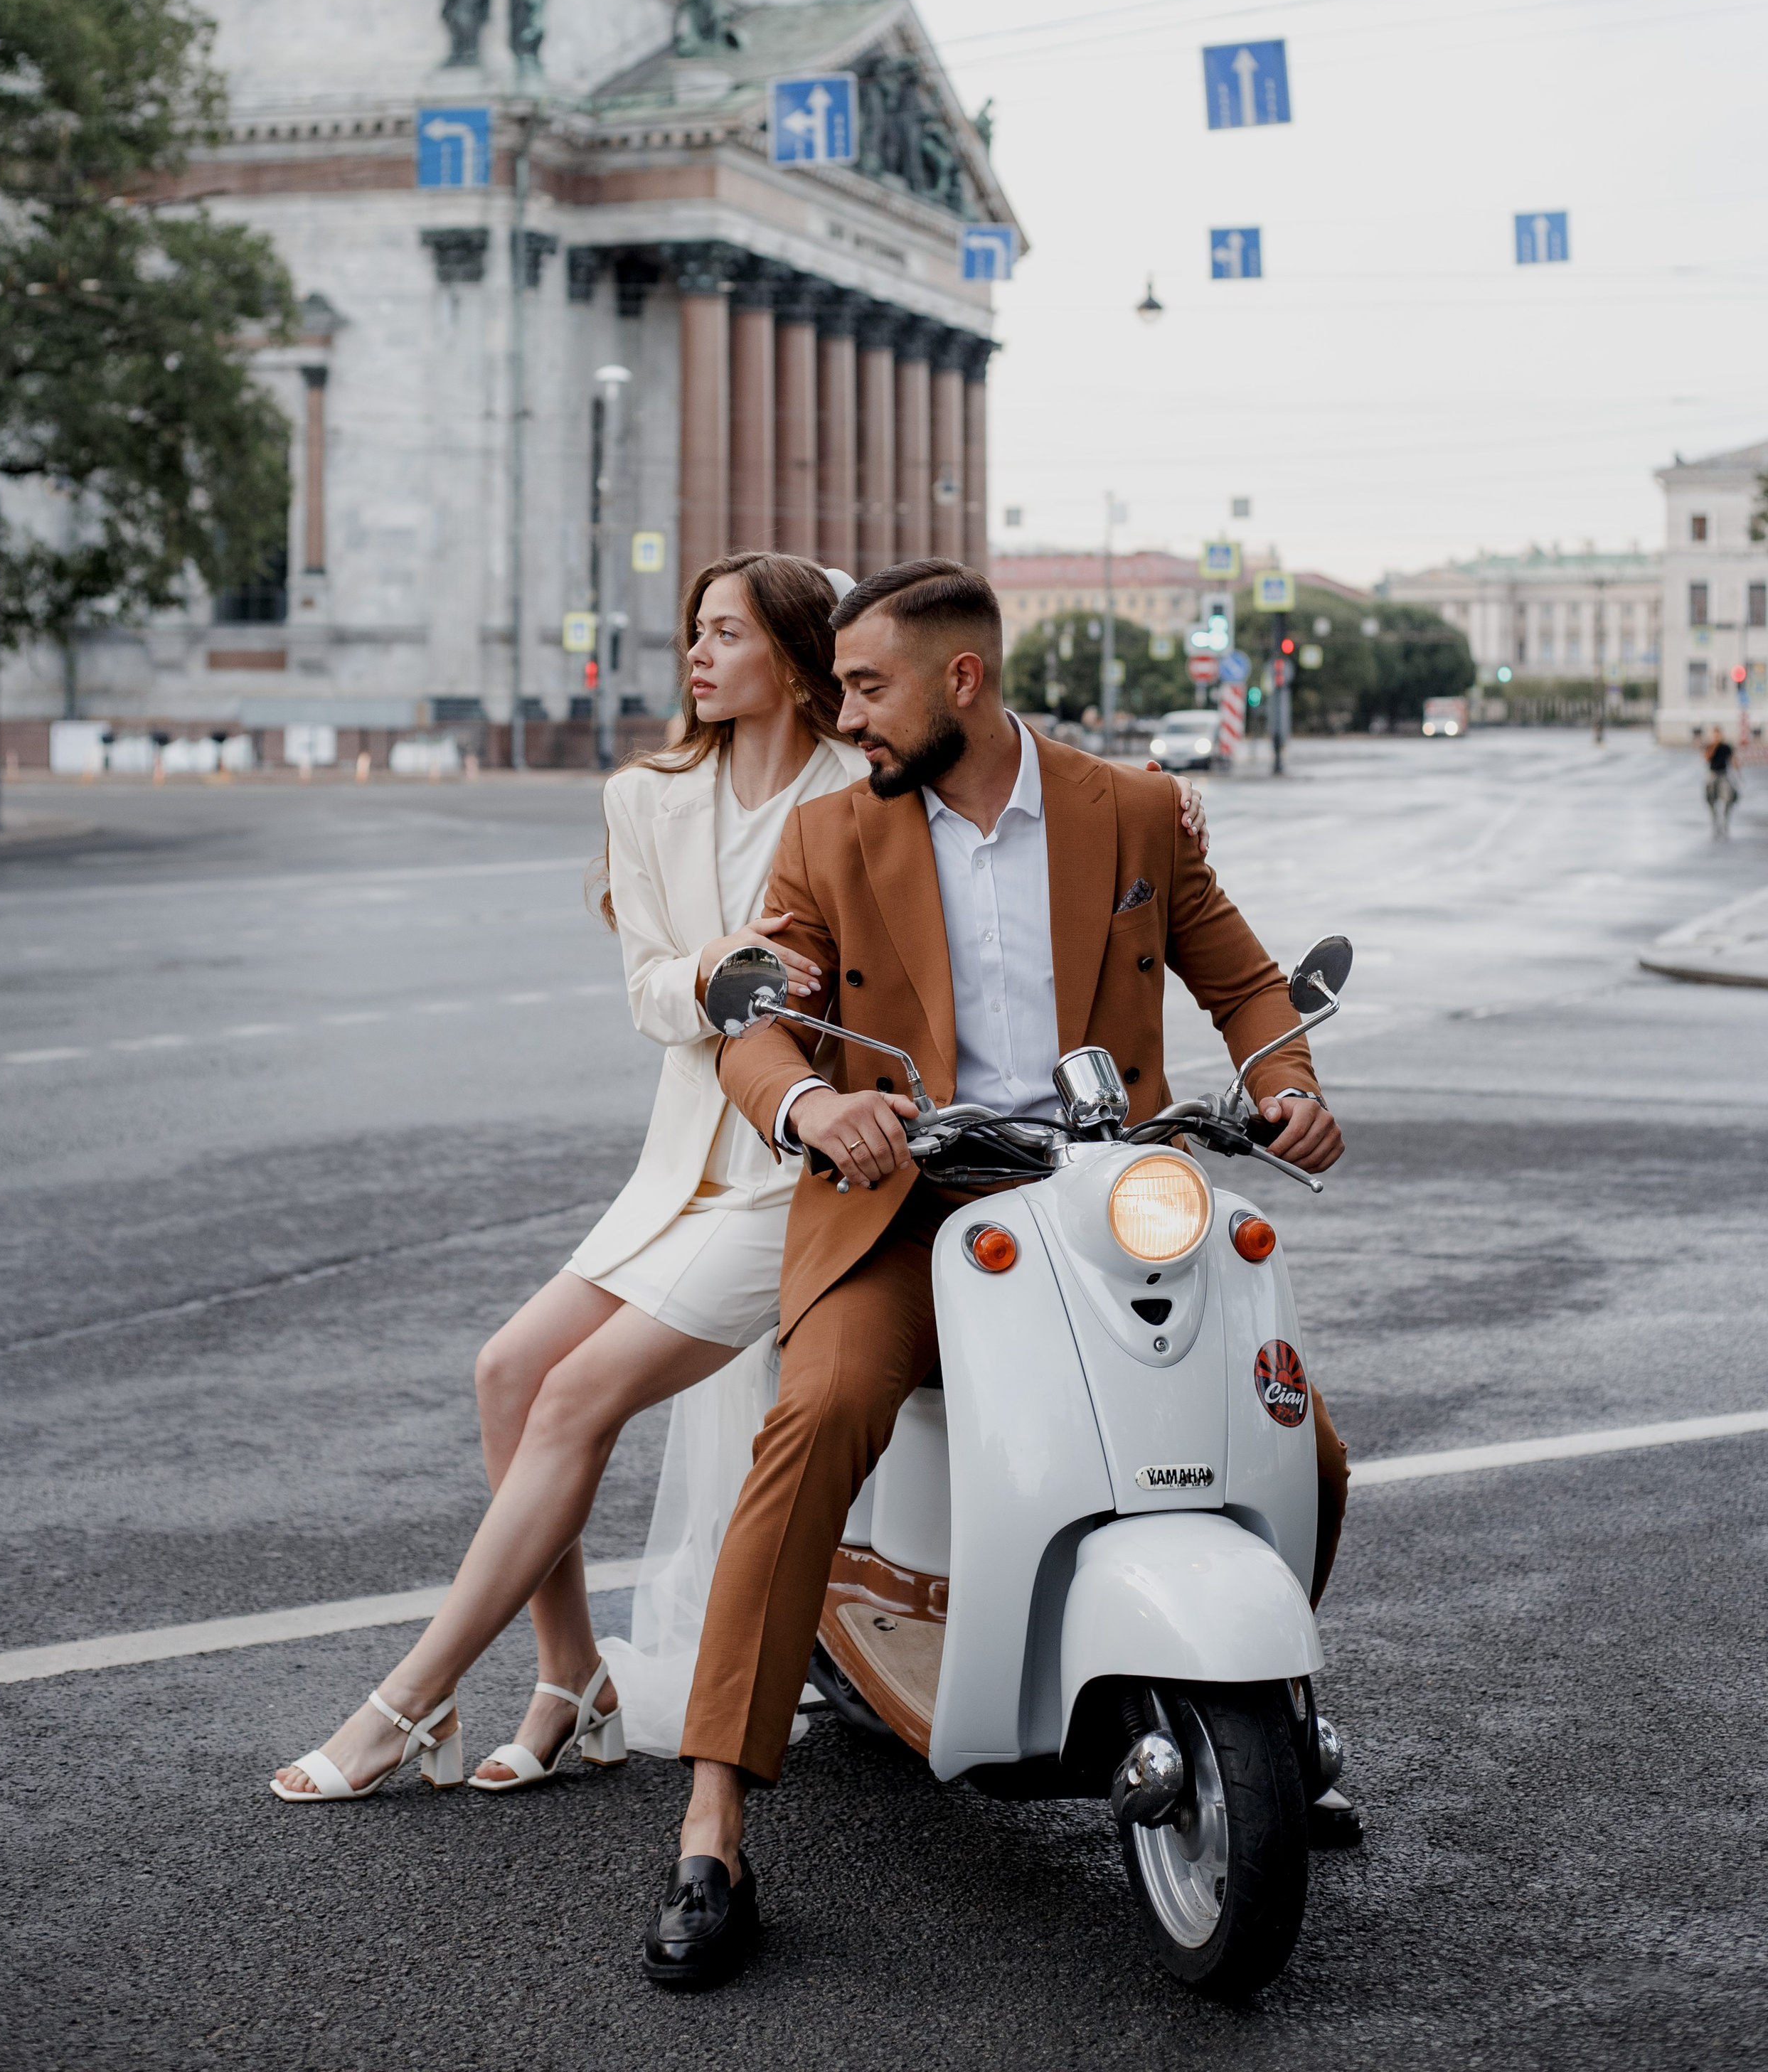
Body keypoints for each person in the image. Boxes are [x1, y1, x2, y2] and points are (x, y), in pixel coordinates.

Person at [640, 559, 1348, 1987]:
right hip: (905, 1203)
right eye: (837, 685)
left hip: (1100, 1201)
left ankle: (1262, 1723)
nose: (845, 716)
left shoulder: (1133, 810)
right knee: (819, 1415)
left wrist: (1286, 1080)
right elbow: (759, 1020)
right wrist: (810, 1107)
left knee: (1304, 1447)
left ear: (961, 681)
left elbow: (1244, 980)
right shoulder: (832, 837)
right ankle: (712, 1827)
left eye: (866, 685)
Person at [270, 551, 868, 1803]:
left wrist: (1167, 797)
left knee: (573, 1396)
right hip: (681, 1163)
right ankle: (573, 1676)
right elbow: (651, 988)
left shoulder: (863, 785)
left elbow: (999, 762)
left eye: (726, 634)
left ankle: (407, 1700)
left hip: (803, 1173)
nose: (698, 656)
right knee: (505, 1371)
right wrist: (720, 969)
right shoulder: (644, 797)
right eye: (693, 633)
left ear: (799, 658)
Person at [1705, 730, 1739, 838]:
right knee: (1711, 799)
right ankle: (1715, 824)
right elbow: (1706, 758)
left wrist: (1737, 769)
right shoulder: (1710, 746)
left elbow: (1732, 760)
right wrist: (1714, 746)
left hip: (1723, 774)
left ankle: (1725, 822)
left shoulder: (1726, 747)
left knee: (1729, 797)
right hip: (1712, 774)